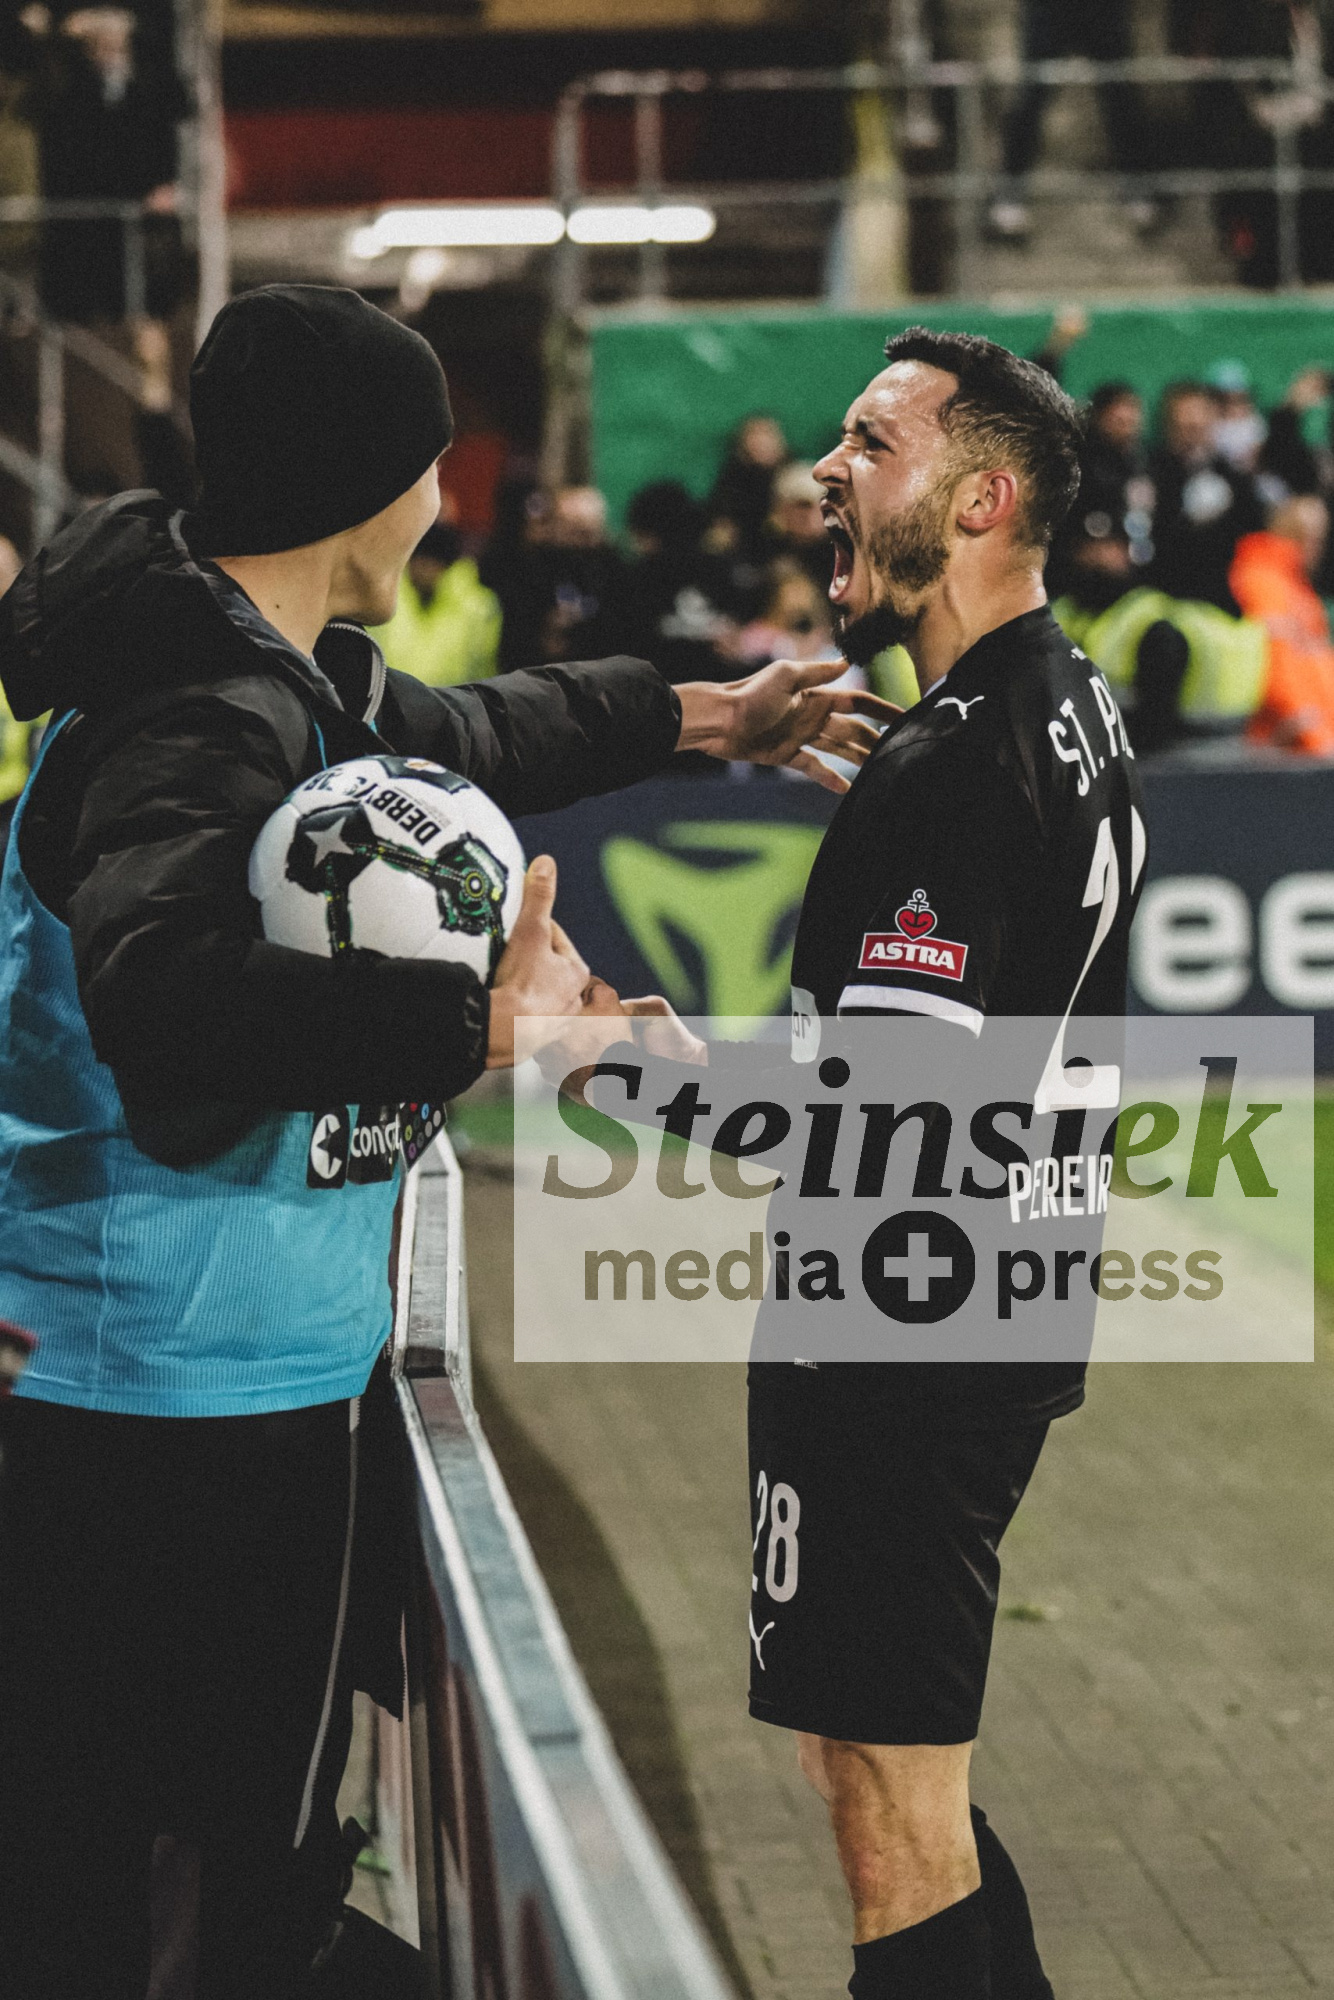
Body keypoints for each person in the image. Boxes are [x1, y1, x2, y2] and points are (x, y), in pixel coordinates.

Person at [0, 282, 885, 2000]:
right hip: (162, 1408)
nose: (441, 499)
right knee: (166, 1890)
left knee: (199, 1863)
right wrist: (476, 1031)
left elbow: (479, 731)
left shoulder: (268, 673)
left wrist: (717, 716)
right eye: (428, 464)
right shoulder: (198, 710)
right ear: (361, 485)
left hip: (203, 1377)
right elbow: (163, 996)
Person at [578, 328, 1146, 2000]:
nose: (824, 470)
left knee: (887, 1805)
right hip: (991, 1296)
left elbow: (876, 1122)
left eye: (868, 444)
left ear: (979, 501)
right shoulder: (1056, 700)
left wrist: (597, 1060)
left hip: (903, 1333)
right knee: (883, 1770)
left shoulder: (953, 764)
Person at [988, 1, 1155, 242]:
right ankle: (1010, 195)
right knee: (1032, 96)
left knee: (1120, 94)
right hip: (1050, 8)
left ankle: (1137, 189)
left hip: (1103, 9)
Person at [1230, 491, 1334, 752]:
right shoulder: (1263, 578)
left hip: (1313, 738)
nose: (1317, 548)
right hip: (1284, 741)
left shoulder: (1298, 586)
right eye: (1311, 538)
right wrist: (1316, 736)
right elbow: (1278, 660)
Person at [1148, 380, 1264, 611]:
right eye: (1184, 425)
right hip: (1166, 596)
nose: (1193, 429)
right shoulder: (1151, 473)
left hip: (1226, 597)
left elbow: (1253, 534)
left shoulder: (1234, 477)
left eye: (1200, 423)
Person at [370, 507, 501, 688]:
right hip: (390, 699)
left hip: (454, 702)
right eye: (420, 561)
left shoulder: (478, 605)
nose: (425, 570)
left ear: (445, 565)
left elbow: (485, 667)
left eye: (432, 563)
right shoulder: (382, 595)